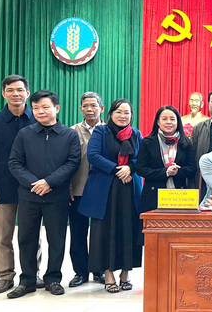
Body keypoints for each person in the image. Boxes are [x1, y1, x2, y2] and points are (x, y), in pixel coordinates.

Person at [7, 90, 81, 298]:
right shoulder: (25, 134)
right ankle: (28, 280)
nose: (40, 111)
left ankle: (53, 278)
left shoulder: (69, 134)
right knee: (26, 239)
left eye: (45, 107)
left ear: (56, 109)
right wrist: (35, 183)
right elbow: (14, 163)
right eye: (36, 107)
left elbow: (73, 162)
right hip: (29, 196)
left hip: (56, 196)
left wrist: (49, 182)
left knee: (56, 239)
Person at [0, 75, 45, 294]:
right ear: (3, 93)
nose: (15, 94)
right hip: (4, 186)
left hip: (33, 186)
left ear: (27, 93)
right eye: (10, 90)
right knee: (3, 235)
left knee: (31, 234)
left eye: (20, 90)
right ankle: (5, 276)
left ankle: (32, 274)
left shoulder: (38, 118)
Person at [78, 99, 143, 293]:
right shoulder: (101, 131)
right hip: (106, 189)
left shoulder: (136, 134)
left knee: (128, 230)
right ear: (111, 114)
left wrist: (130, 168)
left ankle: (125, 273)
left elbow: (142, 158)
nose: (123, 116)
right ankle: (108, 274)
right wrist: (116, 169)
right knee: (105, 231)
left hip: (129, 188)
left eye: (127, 112)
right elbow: (93, 155)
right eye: (119, 112)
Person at [68, 92, 105, 287]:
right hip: (78, 190)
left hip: (102, 192)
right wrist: (68, 187)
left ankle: (99, 270)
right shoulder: (71, 132)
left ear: (102, 108)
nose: (90, 109)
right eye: (85, 106)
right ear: (80, 109)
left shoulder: (110, 131)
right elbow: (65, 163)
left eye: (93, 106)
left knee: (100, 233)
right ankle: (80, 272)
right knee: (78, 232)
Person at [138, 105, 197, 213]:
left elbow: (192, 168)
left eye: (172, 119)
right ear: (158, 122)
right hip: (153, 196)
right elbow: (141, 169)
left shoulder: (186, 143)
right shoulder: (147, 142)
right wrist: (165, 172)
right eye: (164, 119)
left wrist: (177, 172)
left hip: (180, 197)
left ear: (178, 122)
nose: (168, 122)